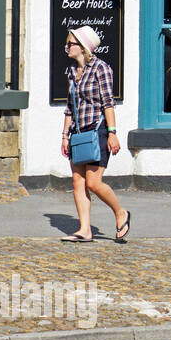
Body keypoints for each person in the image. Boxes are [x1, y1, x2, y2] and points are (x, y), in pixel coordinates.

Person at [60, 26, 131, 243]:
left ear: (83, 47)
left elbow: (108, 103)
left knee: (93, 182)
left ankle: (121, 213)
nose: (66, 47)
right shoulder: (72, 71)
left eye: (70, 44)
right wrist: (64, 135)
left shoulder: (101, 69)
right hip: (77, 132)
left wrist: (112, 133)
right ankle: (84, 230)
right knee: (77, 181)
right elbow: (70, 107)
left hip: (97, 130)